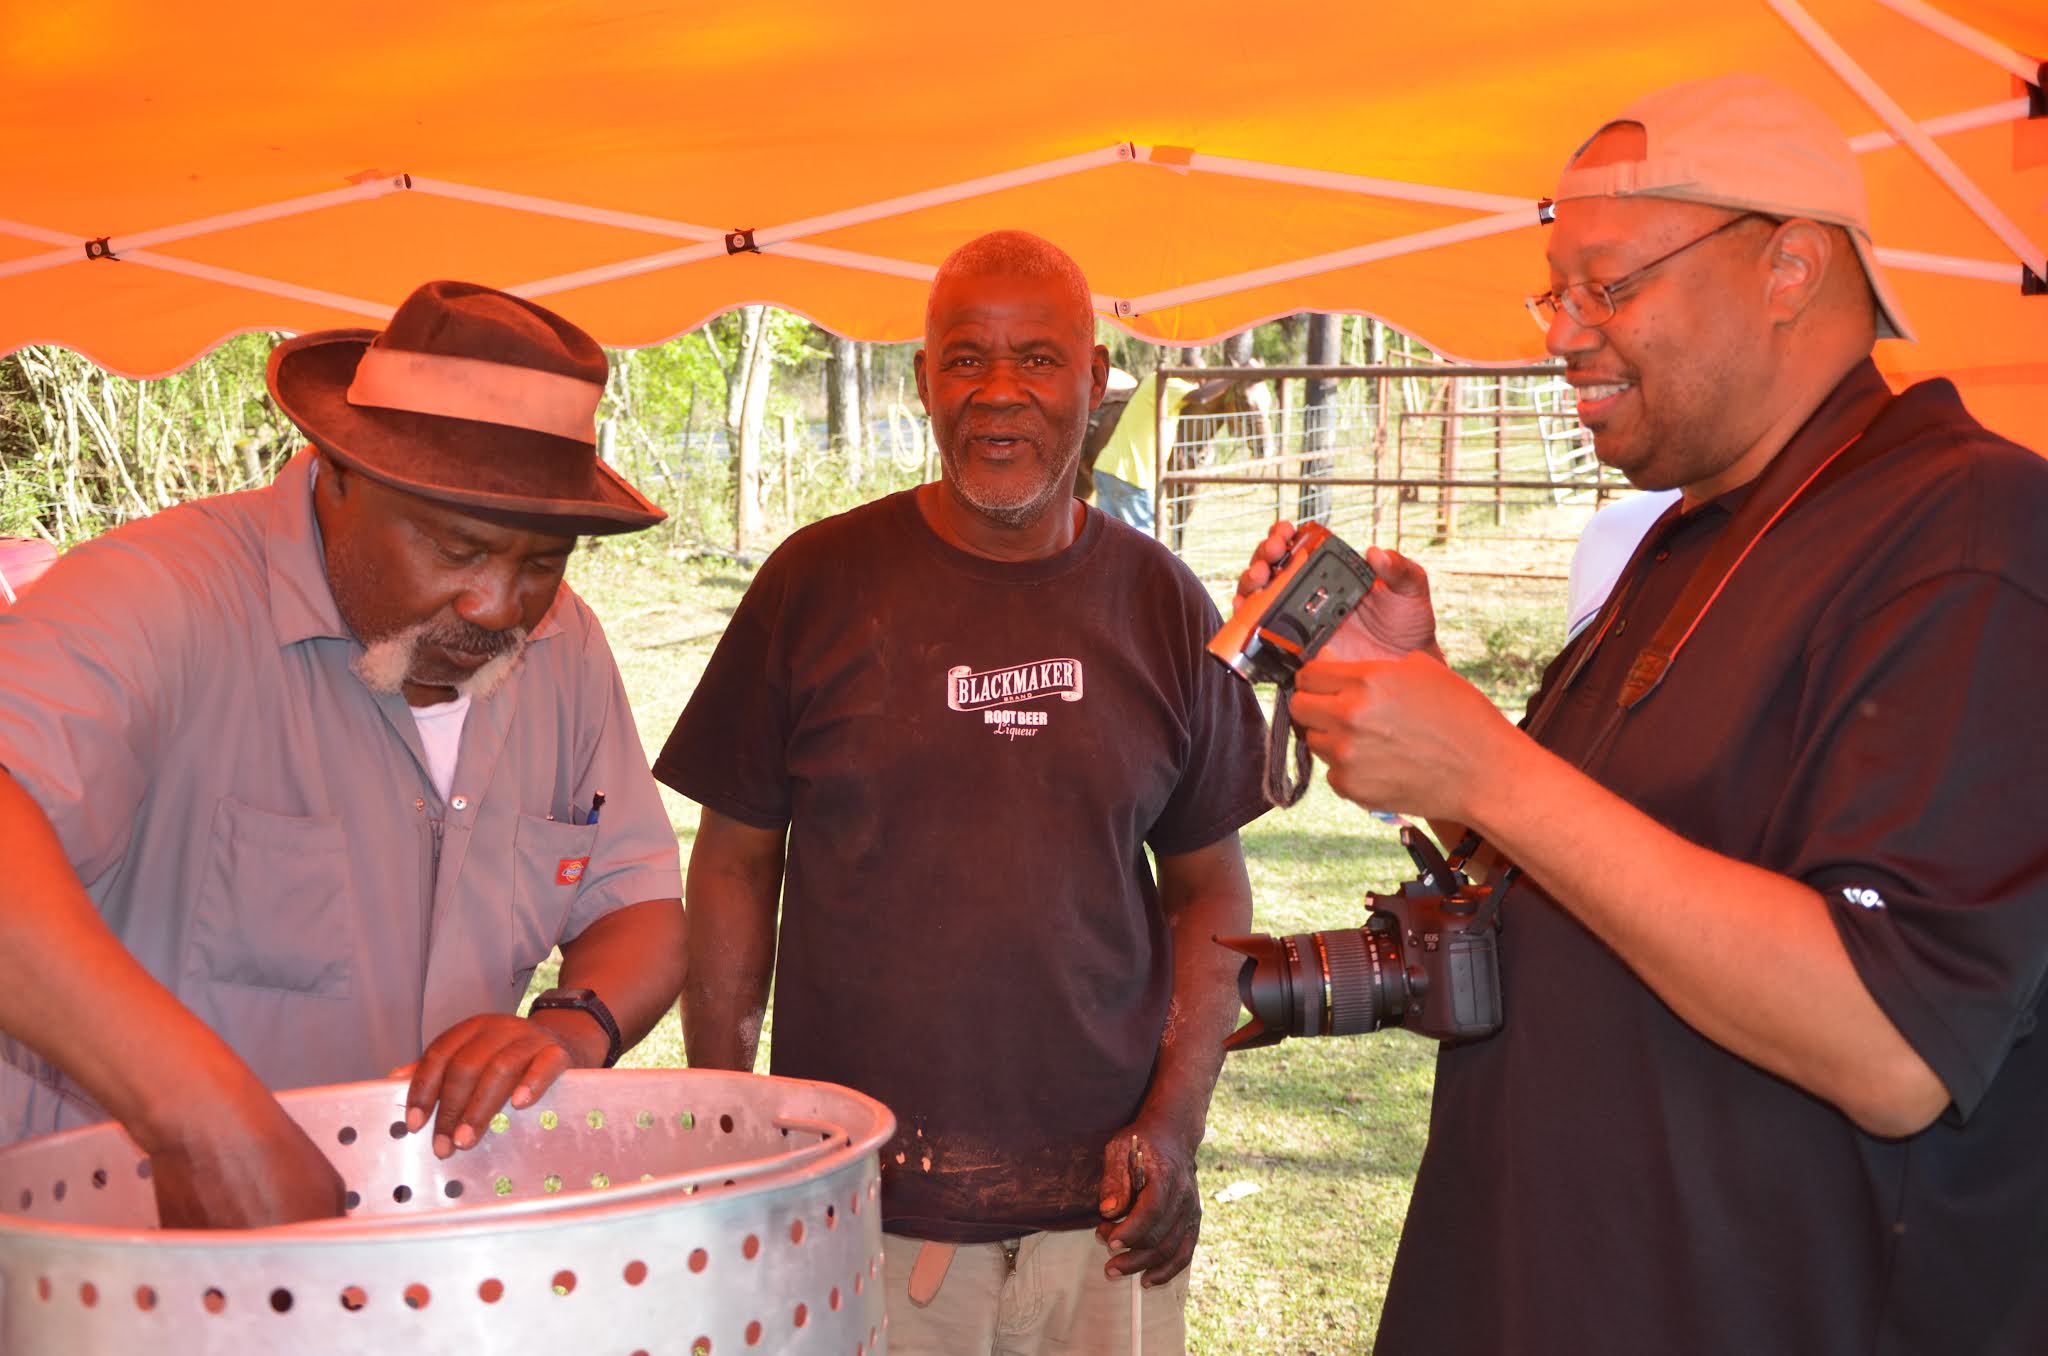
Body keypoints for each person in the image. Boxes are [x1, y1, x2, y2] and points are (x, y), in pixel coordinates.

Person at [1236, 74, 2048, 1354]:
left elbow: (1895, 1041)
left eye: (1606, 287)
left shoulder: (1968, 532)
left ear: (1788, 266)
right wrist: (1437, 734)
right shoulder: (1695, 533)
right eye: (1554, 292)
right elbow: (1603, 869)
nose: (1562, 333)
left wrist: (1490, 769)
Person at [657, 230, 1267, 1353]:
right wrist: (727, 1117)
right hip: (861, 1208)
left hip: (1107, 1223)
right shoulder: (817, 582)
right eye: (965, 359)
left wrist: (1173, 1129)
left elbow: (1208, 893)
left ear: (1094, 382)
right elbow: (736, 862)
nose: (999, 395)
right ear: (921, 379)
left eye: (1037, 360)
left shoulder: (1160, 604)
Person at [0, 280, 686, 1227]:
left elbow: (638, 900)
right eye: (457, 548)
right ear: (339, 472)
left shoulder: (563, 645)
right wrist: (194, 1113)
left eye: (542, 562)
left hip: (411, 1256)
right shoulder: (158, 594)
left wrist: (571, 1027)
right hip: (113, 1257)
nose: (497, 607)